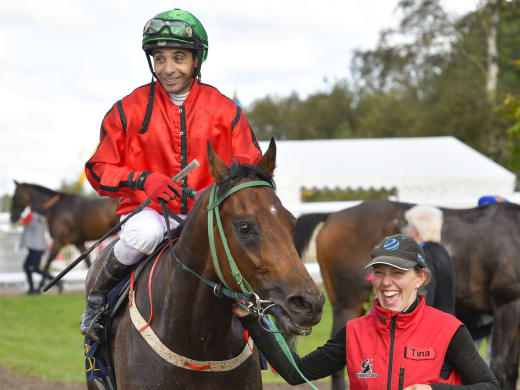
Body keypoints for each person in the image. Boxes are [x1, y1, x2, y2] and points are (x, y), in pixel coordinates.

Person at [81, 8, 262, 344]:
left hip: (210, 214)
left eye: (178, 58)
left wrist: (213, 196)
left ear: (196, 60)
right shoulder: (127, 109)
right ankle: (97, 304)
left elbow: (249, 168)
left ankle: (262, 330)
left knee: (250, 249)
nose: (167, 68)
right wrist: (142, 180)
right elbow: (98, 169)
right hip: (149, 212)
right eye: (159, 58)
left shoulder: (226, 111)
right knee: (143, 237)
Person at [234, 234, 499, 389]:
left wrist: (433, 389)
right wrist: (252, 321)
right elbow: (296, 373)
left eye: (398, 273)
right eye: (379, 273)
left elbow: (490, 386)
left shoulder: (448, 330)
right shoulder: (354, 332)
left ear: (421, 278)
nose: (386, 283)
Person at [404, 204, 456, 315]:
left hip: (431, 323)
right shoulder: (441, 250)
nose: (406, 229)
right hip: (445, 321)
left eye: (409, 225)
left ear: (416, 229)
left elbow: (426, 294)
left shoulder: (423, 253)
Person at [18, 210, 56, 294]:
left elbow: (20, 223)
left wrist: (20, 215)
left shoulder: (31, 215)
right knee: (28, 267)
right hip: (40, 245)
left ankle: (55, 280)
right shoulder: (42, 216)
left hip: (35, 246)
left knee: (34, 268)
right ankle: (32, 289)